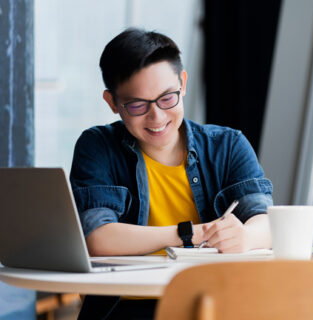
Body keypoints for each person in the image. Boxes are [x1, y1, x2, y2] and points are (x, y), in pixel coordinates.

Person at [70, 28, 273, 319]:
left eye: (167, 98)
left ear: (183, 82)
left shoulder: (227, 145)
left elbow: (264, 220)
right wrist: (191, 232)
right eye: (138, 105)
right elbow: (98, 238)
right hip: (125, 309)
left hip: (211, 304)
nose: (157, 117)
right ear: (113, 102)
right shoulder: (97, 147)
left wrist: (245, 238)